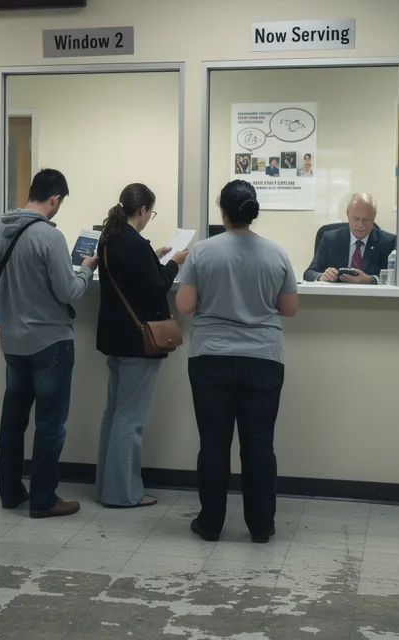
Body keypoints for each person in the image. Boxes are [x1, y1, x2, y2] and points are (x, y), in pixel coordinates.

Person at [175, 179, 297, 545]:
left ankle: (210, 524)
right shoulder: (276, 253)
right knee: (259, 445)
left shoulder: (202, 252)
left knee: (213, 444)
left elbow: (183, 306)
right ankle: (261, 526)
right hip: (263, 359)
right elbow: (289, 309)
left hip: (210, 357)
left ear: (223, 212)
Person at [0, 169, 96, 519]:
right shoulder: (50, 237)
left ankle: (9, 492)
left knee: (13, 419)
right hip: (50, 341)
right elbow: (68, 292)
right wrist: (86, 270)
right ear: (55, 199)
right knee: (50, 423)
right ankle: (44, 498)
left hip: (13, 341)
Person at [94, 183, 186, 509]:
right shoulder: (133, 242)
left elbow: (137, 276)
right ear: (143, 209)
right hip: (138, 343)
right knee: (130, 419)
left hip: (116, 340)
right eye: (151, 212)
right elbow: (157, 286)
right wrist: (174, 261)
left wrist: (156, 256)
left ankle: (106, 486)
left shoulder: (111, 238)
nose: (149, 218)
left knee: (114, 414)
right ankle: (124, 493)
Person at [303, 193, 396, 284]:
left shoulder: (388, 242)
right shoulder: (330, 238)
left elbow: (394, 278)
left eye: (365, 220)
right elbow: (309, 273)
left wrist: (372, 280)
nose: (360, 225)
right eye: (356, 219)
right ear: (347, 214)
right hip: (335, 297)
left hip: (371, 298)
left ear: (374, 216)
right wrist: (321, 276)